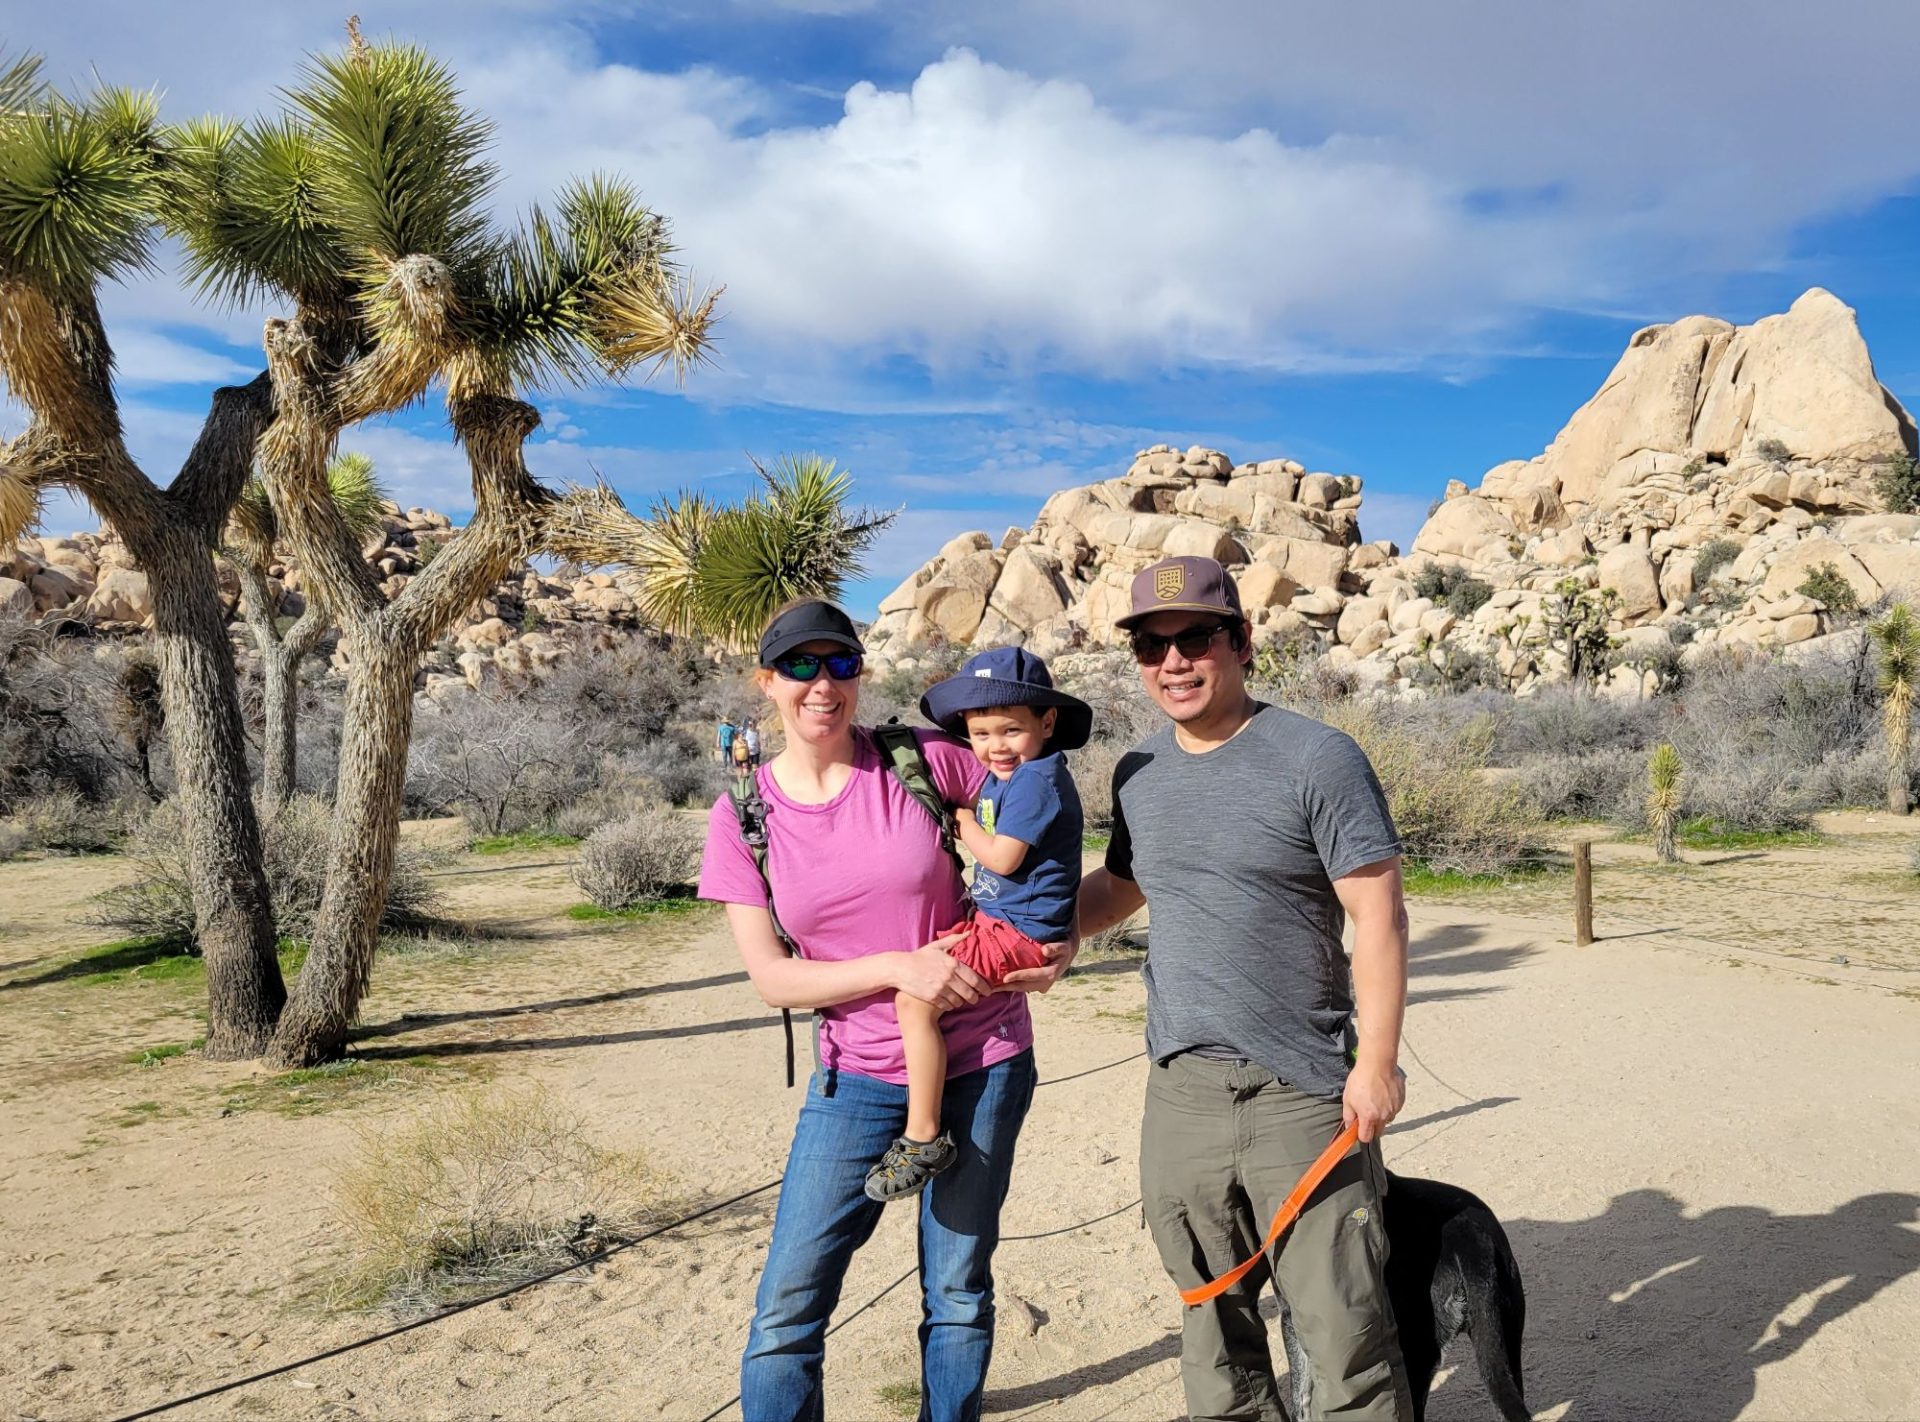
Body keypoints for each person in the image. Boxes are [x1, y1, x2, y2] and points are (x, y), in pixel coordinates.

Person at [696, 600, 1069, 1422]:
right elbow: (772, 979)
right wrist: (899, 967)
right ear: (767, 681)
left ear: (860, 675)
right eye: (799, 666)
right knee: (787, 1310)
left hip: (983, 1060)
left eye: (840, 664)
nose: (822, 684)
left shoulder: (922, 759)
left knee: (958, 1291)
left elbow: (1044, 825)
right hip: (855, 1079)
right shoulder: (744, 816)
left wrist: (1061, 940)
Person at [1075, 555, 1417, 1422]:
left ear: (1241, 640)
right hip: (1182, 1091)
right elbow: (1121, 886)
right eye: (1151, 647)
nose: (1173, 662)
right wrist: (1026, 928)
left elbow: (1378, 916)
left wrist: (1377, 1063)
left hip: (1301, 1090)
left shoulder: (1318, 758)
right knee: (1212, 1334)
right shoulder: (1139, 770)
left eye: (1195, 638)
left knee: (1343, 1336)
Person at [865, 647, 1091, 1203]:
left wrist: (962, 819)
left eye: (1011, 730)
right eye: (982, 734)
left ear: (1047, 722)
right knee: (932, 964)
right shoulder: (1013, 774)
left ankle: (922, 1135)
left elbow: (1004, 858)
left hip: (1018, 931)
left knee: (915, 1001)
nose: (996, 746)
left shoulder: (1036, 780)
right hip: (1001, 921)